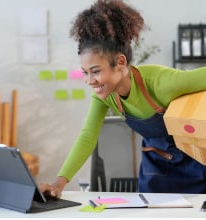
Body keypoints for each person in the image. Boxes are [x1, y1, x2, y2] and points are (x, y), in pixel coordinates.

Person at [39, 0, 206, 197]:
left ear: (120, 62)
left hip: (197, 166)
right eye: (85, 73)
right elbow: (87, 137)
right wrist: (58, 183)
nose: (89, 81)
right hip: (155, 168)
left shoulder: (162, 83)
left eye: (95, 71)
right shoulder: (105, 97)